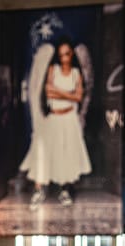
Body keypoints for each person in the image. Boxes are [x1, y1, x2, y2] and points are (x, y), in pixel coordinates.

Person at [20, 35, 92, 208]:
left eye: (67, 54)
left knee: (66, 155)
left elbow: (79, 96)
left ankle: (65, 190)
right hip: (53, 116)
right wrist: (70, 94)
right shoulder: (53, 69)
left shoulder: (76, 73)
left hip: (69, 119)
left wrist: (64, 93)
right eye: (61, 55)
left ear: (72, 55)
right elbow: (50, 92)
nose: (64, 58)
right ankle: (38, 191)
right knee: (42, 153)